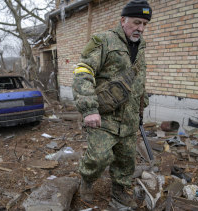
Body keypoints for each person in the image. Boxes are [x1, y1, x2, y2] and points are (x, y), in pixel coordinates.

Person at [72, 0, 152, 208]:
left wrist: (142, 104)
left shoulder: (140, 46)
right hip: (104, 116)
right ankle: (87, 180)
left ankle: (119, 191)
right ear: (123, 20)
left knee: (126, 161)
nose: (140, 29)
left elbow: (138, 80)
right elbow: (83, 72)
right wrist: (89, 109)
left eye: (144, 24)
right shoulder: (103, 41)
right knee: (98, 157)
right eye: (137, 22)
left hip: (130, 118)